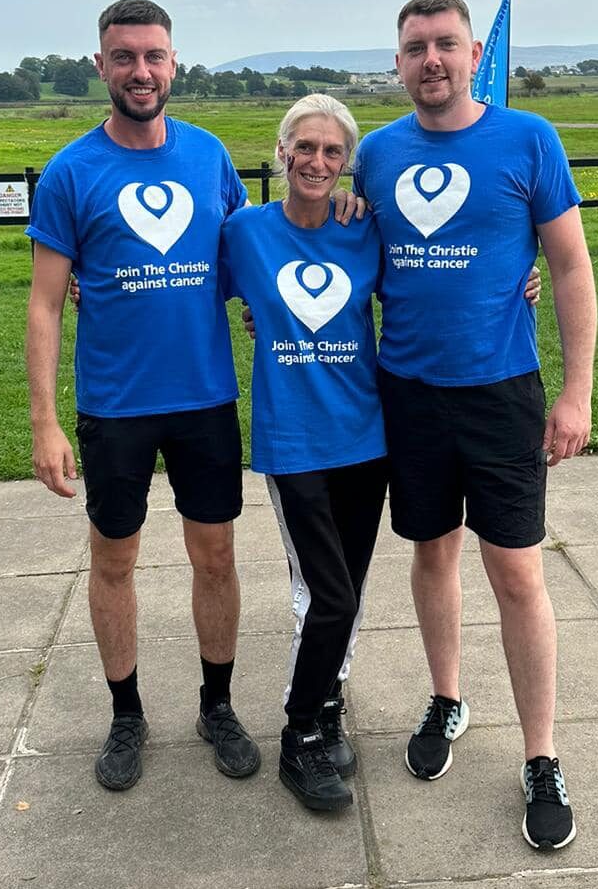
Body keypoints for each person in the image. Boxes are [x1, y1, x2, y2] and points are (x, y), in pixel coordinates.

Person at [353, 0, 597, 850]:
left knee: (517, 573)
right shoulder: (375, 155)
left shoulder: (529, 138)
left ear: (474, 50)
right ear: (397, 60)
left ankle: (541, 754)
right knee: (431, 553)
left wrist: (578, 392)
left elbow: (568, 264)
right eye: (415, 46)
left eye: (445, 44)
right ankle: (447, 698)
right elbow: (338, 252)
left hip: (502, 393)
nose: (431, 60)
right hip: (408, 393)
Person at [25, 0, 264, 792]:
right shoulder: (71, 173)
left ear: (175, 62)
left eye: (154, 55)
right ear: (100, 64)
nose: (140, 71)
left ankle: (217, 704)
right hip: (115, 405)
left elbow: (249, 258)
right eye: (124, 57)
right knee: (114, 558)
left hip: (203, 397)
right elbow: (44, 304)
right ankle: (126, 714)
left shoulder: (209, 156)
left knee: (216, 554)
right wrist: (45, 420)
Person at [219, 94, 385, 811]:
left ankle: (328, 703)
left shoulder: (365, 229)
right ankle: (298, 736)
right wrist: (83, 281)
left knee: (348, 590)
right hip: (294, 443)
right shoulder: (244, 233)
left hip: (366, 436)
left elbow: (439, 283)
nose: (317, 161)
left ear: (344, 163)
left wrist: (523, 282)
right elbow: (187, 289)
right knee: (330, 595)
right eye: (305, 147)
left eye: (332, 151)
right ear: (281, 152)